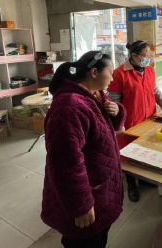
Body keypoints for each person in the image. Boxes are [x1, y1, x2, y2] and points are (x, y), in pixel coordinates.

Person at [41, 51, 127, 248]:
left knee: (98, 238)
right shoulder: (69, 107)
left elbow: (107, 128)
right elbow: (65, 163)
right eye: (111, 72)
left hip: (100, 188)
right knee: (84, 241)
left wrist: (117, 111)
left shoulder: (96, 95)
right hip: (86, 197)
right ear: (94, 72)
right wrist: (81, 205)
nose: (113, 78)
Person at [108, 40, 162, 202]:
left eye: (149, 56)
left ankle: (142, 178)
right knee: (128, 154)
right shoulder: (119, 74)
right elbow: (114, 102)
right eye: (144, 56)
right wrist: (119, 123)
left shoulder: (149, 70)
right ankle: (131, 183)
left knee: (145, 149)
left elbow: (154, 89)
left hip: (149, 118)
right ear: (134, 55)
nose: (147, 59)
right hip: (130, 122)